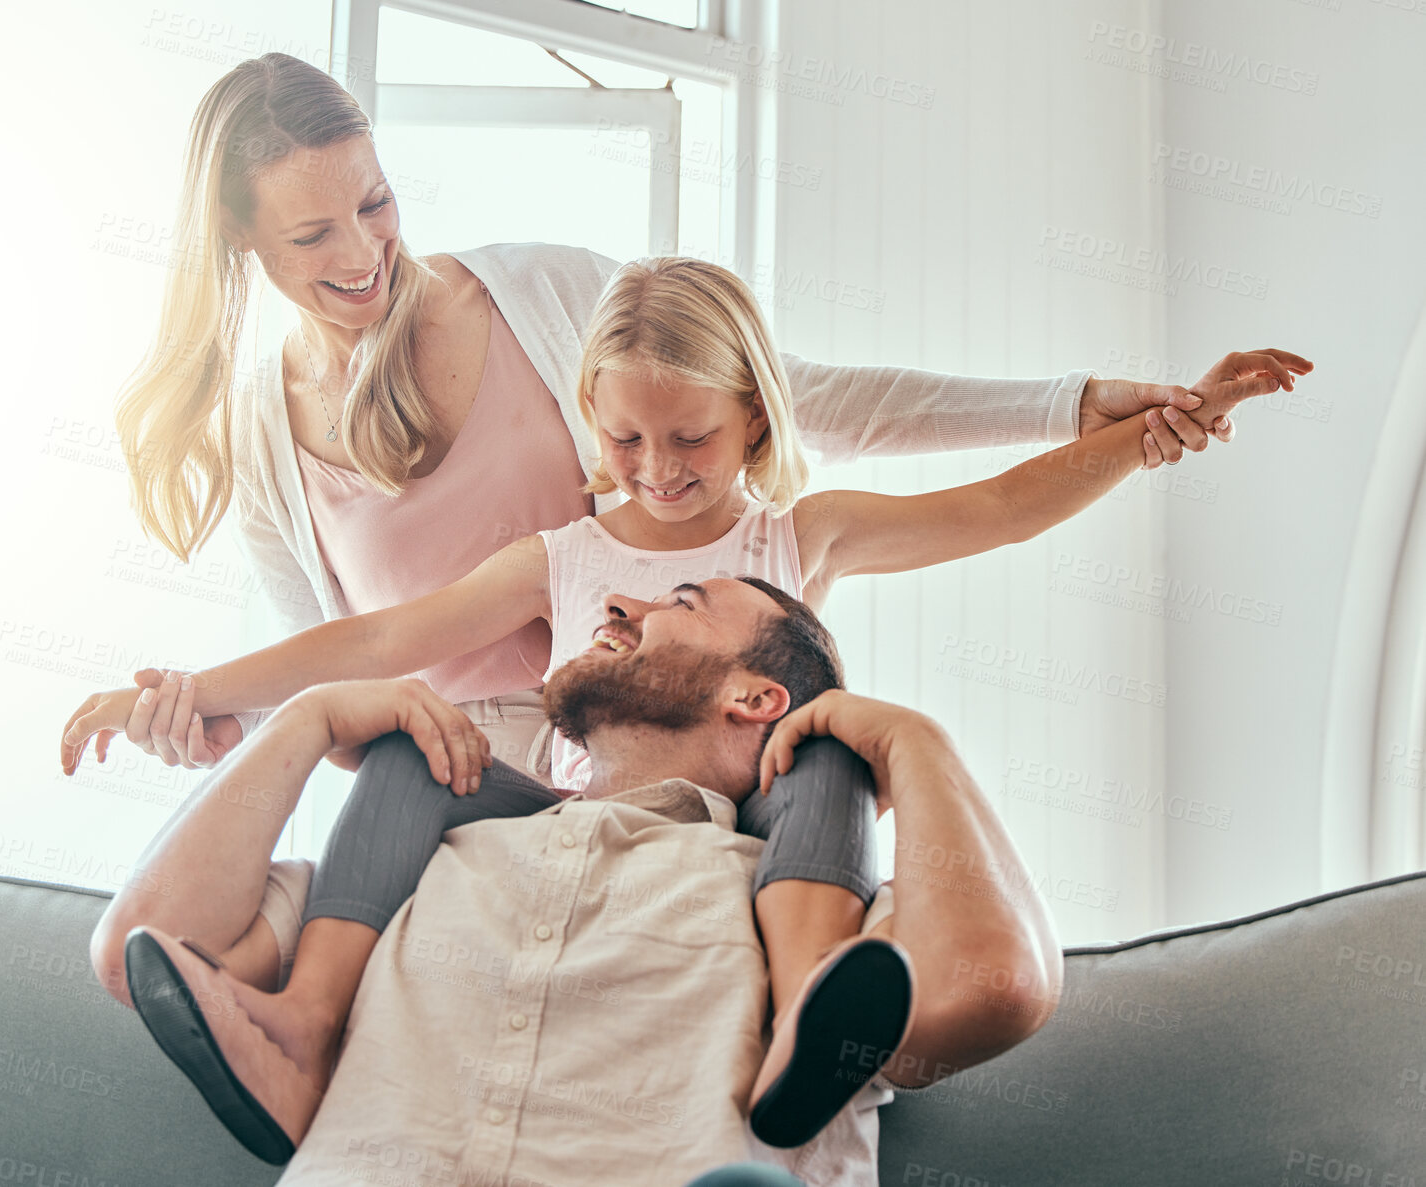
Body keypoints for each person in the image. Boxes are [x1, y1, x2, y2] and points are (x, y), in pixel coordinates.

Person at [73, 252, 1302, 1154]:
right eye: (625, 440)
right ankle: (307, 1019)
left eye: (691, 441)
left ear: (754, 420)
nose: (657, 472)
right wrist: (194, 692)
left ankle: (803, 1022)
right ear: (593, 427)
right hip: (576, 811)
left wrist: (1135, 437)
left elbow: (987, 510)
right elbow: (386, 634)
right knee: (406, 746)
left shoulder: (793, 534)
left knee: (821, 759)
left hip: (749, 817)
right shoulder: (560, 556)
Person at [93, 49, 1290, 791]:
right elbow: (356, 656)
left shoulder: (554, 302)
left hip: (671, 743)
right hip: (466, 775)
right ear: (241, 240)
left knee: (822, 776)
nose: (362, 254)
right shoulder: (291, 454)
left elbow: (843, 417)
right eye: (312, 235)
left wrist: (1091, 412)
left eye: (375, 200)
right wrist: (210, 708)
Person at [102, 576, 1062, 1186]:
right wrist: (304, 719)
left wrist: (910, 740)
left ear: (754, 698)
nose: (619, 606)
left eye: (677, 602)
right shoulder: (401, 869)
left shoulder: (820, 915)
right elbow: (138, 947)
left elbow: (996, 986)